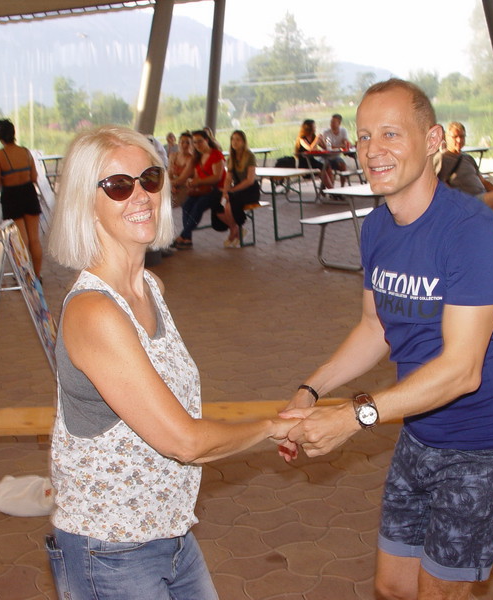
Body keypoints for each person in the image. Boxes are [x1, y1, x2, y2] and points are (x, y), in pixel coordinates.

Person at [280, 79, 493, 600]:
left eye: (391, 133)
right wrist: (310, 389)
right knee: (393, 586)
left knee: (437, 592)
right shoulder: (377, 227)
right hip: (419, 433)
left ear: (433, 140)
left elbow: (462, 370)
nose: (372, 149)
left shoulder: (469, 229)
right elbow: (375, 328)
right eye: (364, 136)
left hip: (482, 445)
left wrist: (352, 417)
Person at [45, 125, 299, 600]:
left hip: (170, 532)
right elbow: (183, 440)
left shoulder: (150, 288)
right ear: (86, 201)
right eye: (118, 185)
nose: (140, 195)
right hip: (112, 548)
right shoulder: (94, 312)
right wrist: (272, 427)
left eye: (149, 178)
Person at [0, 119, 44, 279]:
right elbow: (34, 177)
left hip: (11, 195)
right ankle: (37, 275)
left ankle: (25, 276)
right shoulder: (25, 152)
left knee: (21, 240)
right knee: (34, 239)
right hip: (29, 192)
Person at [171, 129, 226, 250]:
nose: (197, 145)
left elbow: (217, 177)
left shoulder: (216, 155)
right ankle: (187, 238)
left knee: (198, 206)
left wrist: (198, 181)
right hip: (202, 190)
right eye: (195, 142)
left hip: (217, 190)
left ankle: (183, 236)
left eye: (200, 141)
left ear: (207, 140)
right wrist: (190, 183)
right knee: (186, 205)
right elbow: (188, 176)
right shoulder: (197, 157)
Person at [213, 130, 260, 248]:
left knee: (230, 203)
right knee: (217, 201)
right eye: (233, 139)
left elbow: (249, 180)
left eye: (238, 139)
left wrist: (232, 191)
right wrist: (225, 191)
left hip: (250, 190)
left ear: (243, 142)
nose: (235, 142)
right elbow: (228, 178)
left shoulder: (249, 156)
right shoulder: (231, 158)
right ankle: (235, 229)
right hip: (236, 189)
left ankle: (234, 231)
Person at [295, 119, 334, 190]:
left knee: (328, 167)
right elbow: (310, 148)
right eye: (314, 126)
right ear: (309, 128)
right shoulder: (302, 139)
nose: (315, 128)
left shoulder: (313, 137)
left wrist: (322, 140)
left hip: (312, 161)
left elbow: (325, 148)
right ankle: (331, 190)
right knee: (321, 169)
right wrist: (317, 139)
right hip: (305, 163)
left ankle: (330, 189)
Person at [319, 113, 351, 186]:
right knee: (327, 167)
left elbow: (345, 143)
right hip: (326, 157)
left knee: (343, 165)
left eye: (333, 122)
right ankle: (329, 187)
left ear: (339, 123)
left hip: (336, 157)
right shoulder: (326, 132)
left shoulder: (343, 131)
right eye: (331, 122)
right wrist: (340, 146)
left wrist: (343, 145)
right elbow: (328, 146)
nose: (331, 124)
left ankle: (343, 187)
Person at [168, 131, 194, 207]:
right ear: (178, 143)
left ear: (192, 145)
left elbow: (182, 180)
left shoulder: (191, 159)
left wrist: (168, 185)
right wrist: (171, 186)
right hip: (172, 184)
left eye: (188, 143)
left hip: (185, 186)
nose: (184, 145)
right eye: (182, 142)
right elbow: (169, 174)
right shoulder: (172, 155)